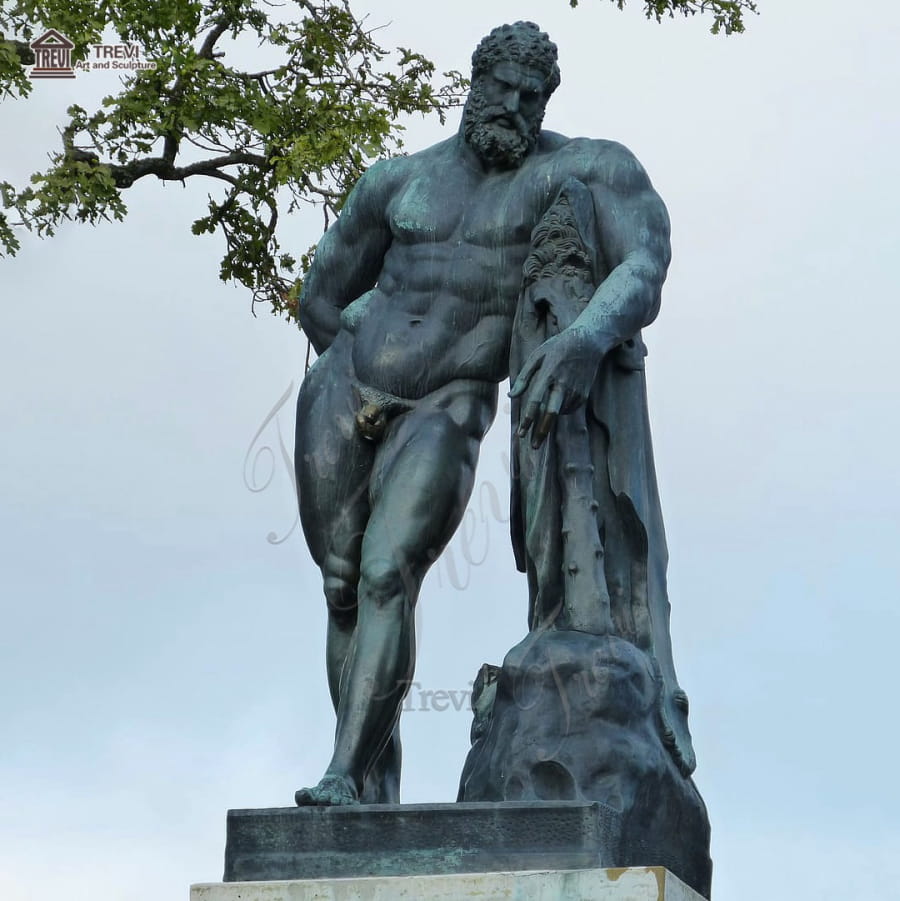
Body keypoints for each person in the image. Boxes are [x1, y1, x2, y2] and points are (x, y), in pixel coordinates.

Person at [294, 21, 682, 806]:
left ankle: (338, 773)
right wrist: (359, 352)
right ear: (473, 84)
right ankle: (370, 787)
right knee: (341, 587)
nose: (511, 104)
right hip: (343, 390)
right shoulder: (397, 181)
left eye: (528, 95)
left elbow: (645, 264)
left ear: (546, 102)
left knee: (383, 571)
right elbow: (319, 295)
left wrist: (583, 337)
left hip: (446, 405)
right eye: (498, 87)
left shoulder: (579, 171)